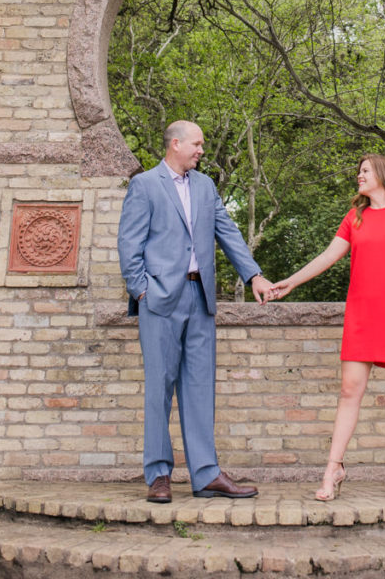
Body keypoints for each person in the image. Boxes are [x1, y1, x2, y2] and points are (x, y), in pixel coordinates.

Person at [118, 119, 274, 503]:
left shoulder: (205, 187)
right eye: (197, 144)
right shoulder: (144, 185)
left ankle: (206, 475)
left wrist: (253, 275)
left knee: (201, 389)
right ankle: (158, 475)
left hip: (200, 298)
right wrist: (142, 292)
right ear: (175, 144)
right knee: (159, 389)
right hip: (159, 301)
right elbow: (128, 243)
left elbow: (228, 232)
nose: (201, 151)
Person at [270, 154, 385, 501]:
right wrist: (290, 283)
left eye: (365, 171)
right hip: (362, 314)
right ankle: (333, 468)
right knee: (348, 391)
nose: (359, 176)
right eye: (359, 171)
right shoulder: (355, 217)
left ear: (383, 175)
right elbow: (328, 257)